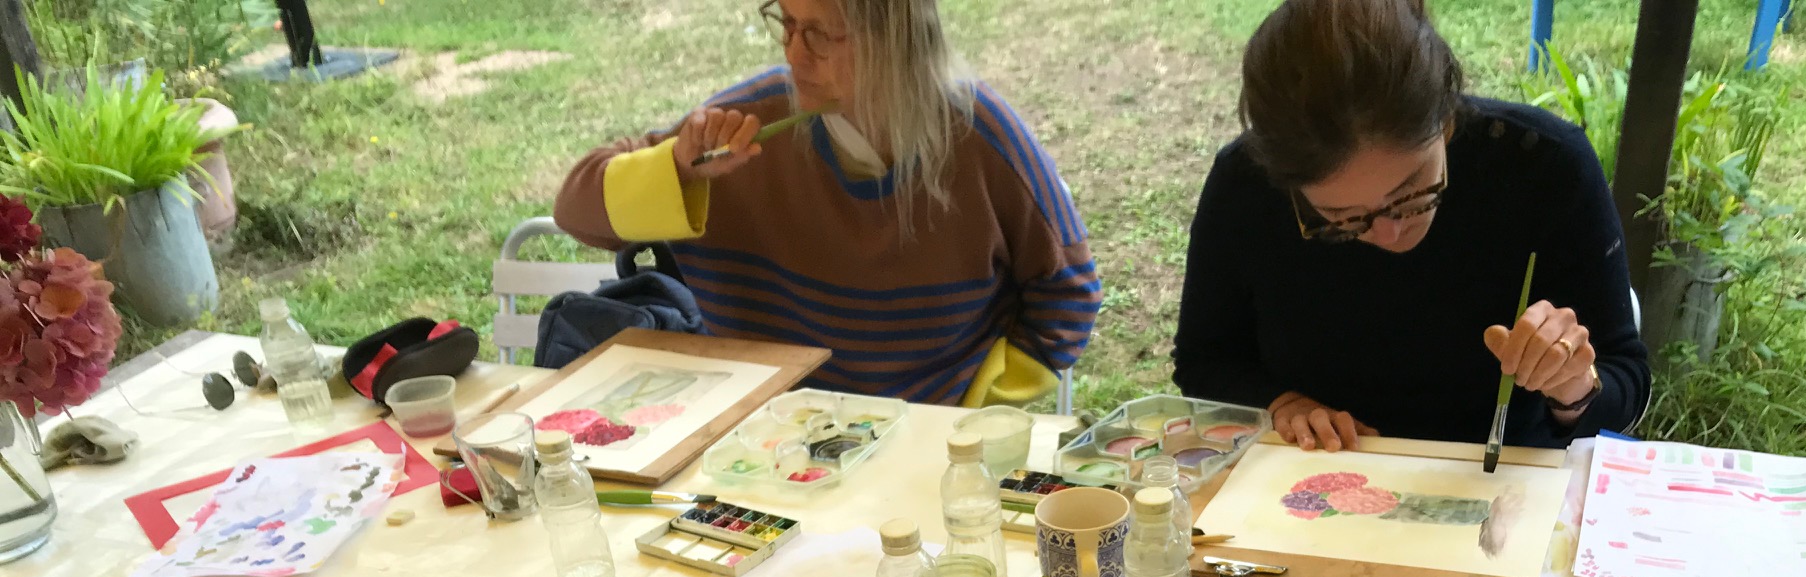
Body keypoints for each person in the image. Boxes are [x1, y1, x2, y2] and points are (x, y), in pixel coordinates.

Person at [553, 0, 1100, 408]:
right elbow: (573, 210)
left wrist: (972, 408)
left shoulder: (980, 137)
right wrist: (674, 168)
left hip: (924, 448)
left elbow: (1067, 294)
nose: (793, 53)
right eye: (786, 24)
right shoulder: (747, 124)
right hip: (759, 440)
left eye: (816, 34)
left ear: (893, 36)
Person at [1173, 0, 1651, 451]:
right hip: (1319, 475)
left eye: (1411, 195)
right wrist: (1282, 404)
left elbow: (1625, 378)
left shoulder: (1543, 169)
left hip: (1504, 482)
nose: (1388, 234)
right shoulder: (1245, 185)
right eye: (1340, 219)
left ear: (1445, 121)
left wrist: (1573, 387)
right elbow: (1204, 360)